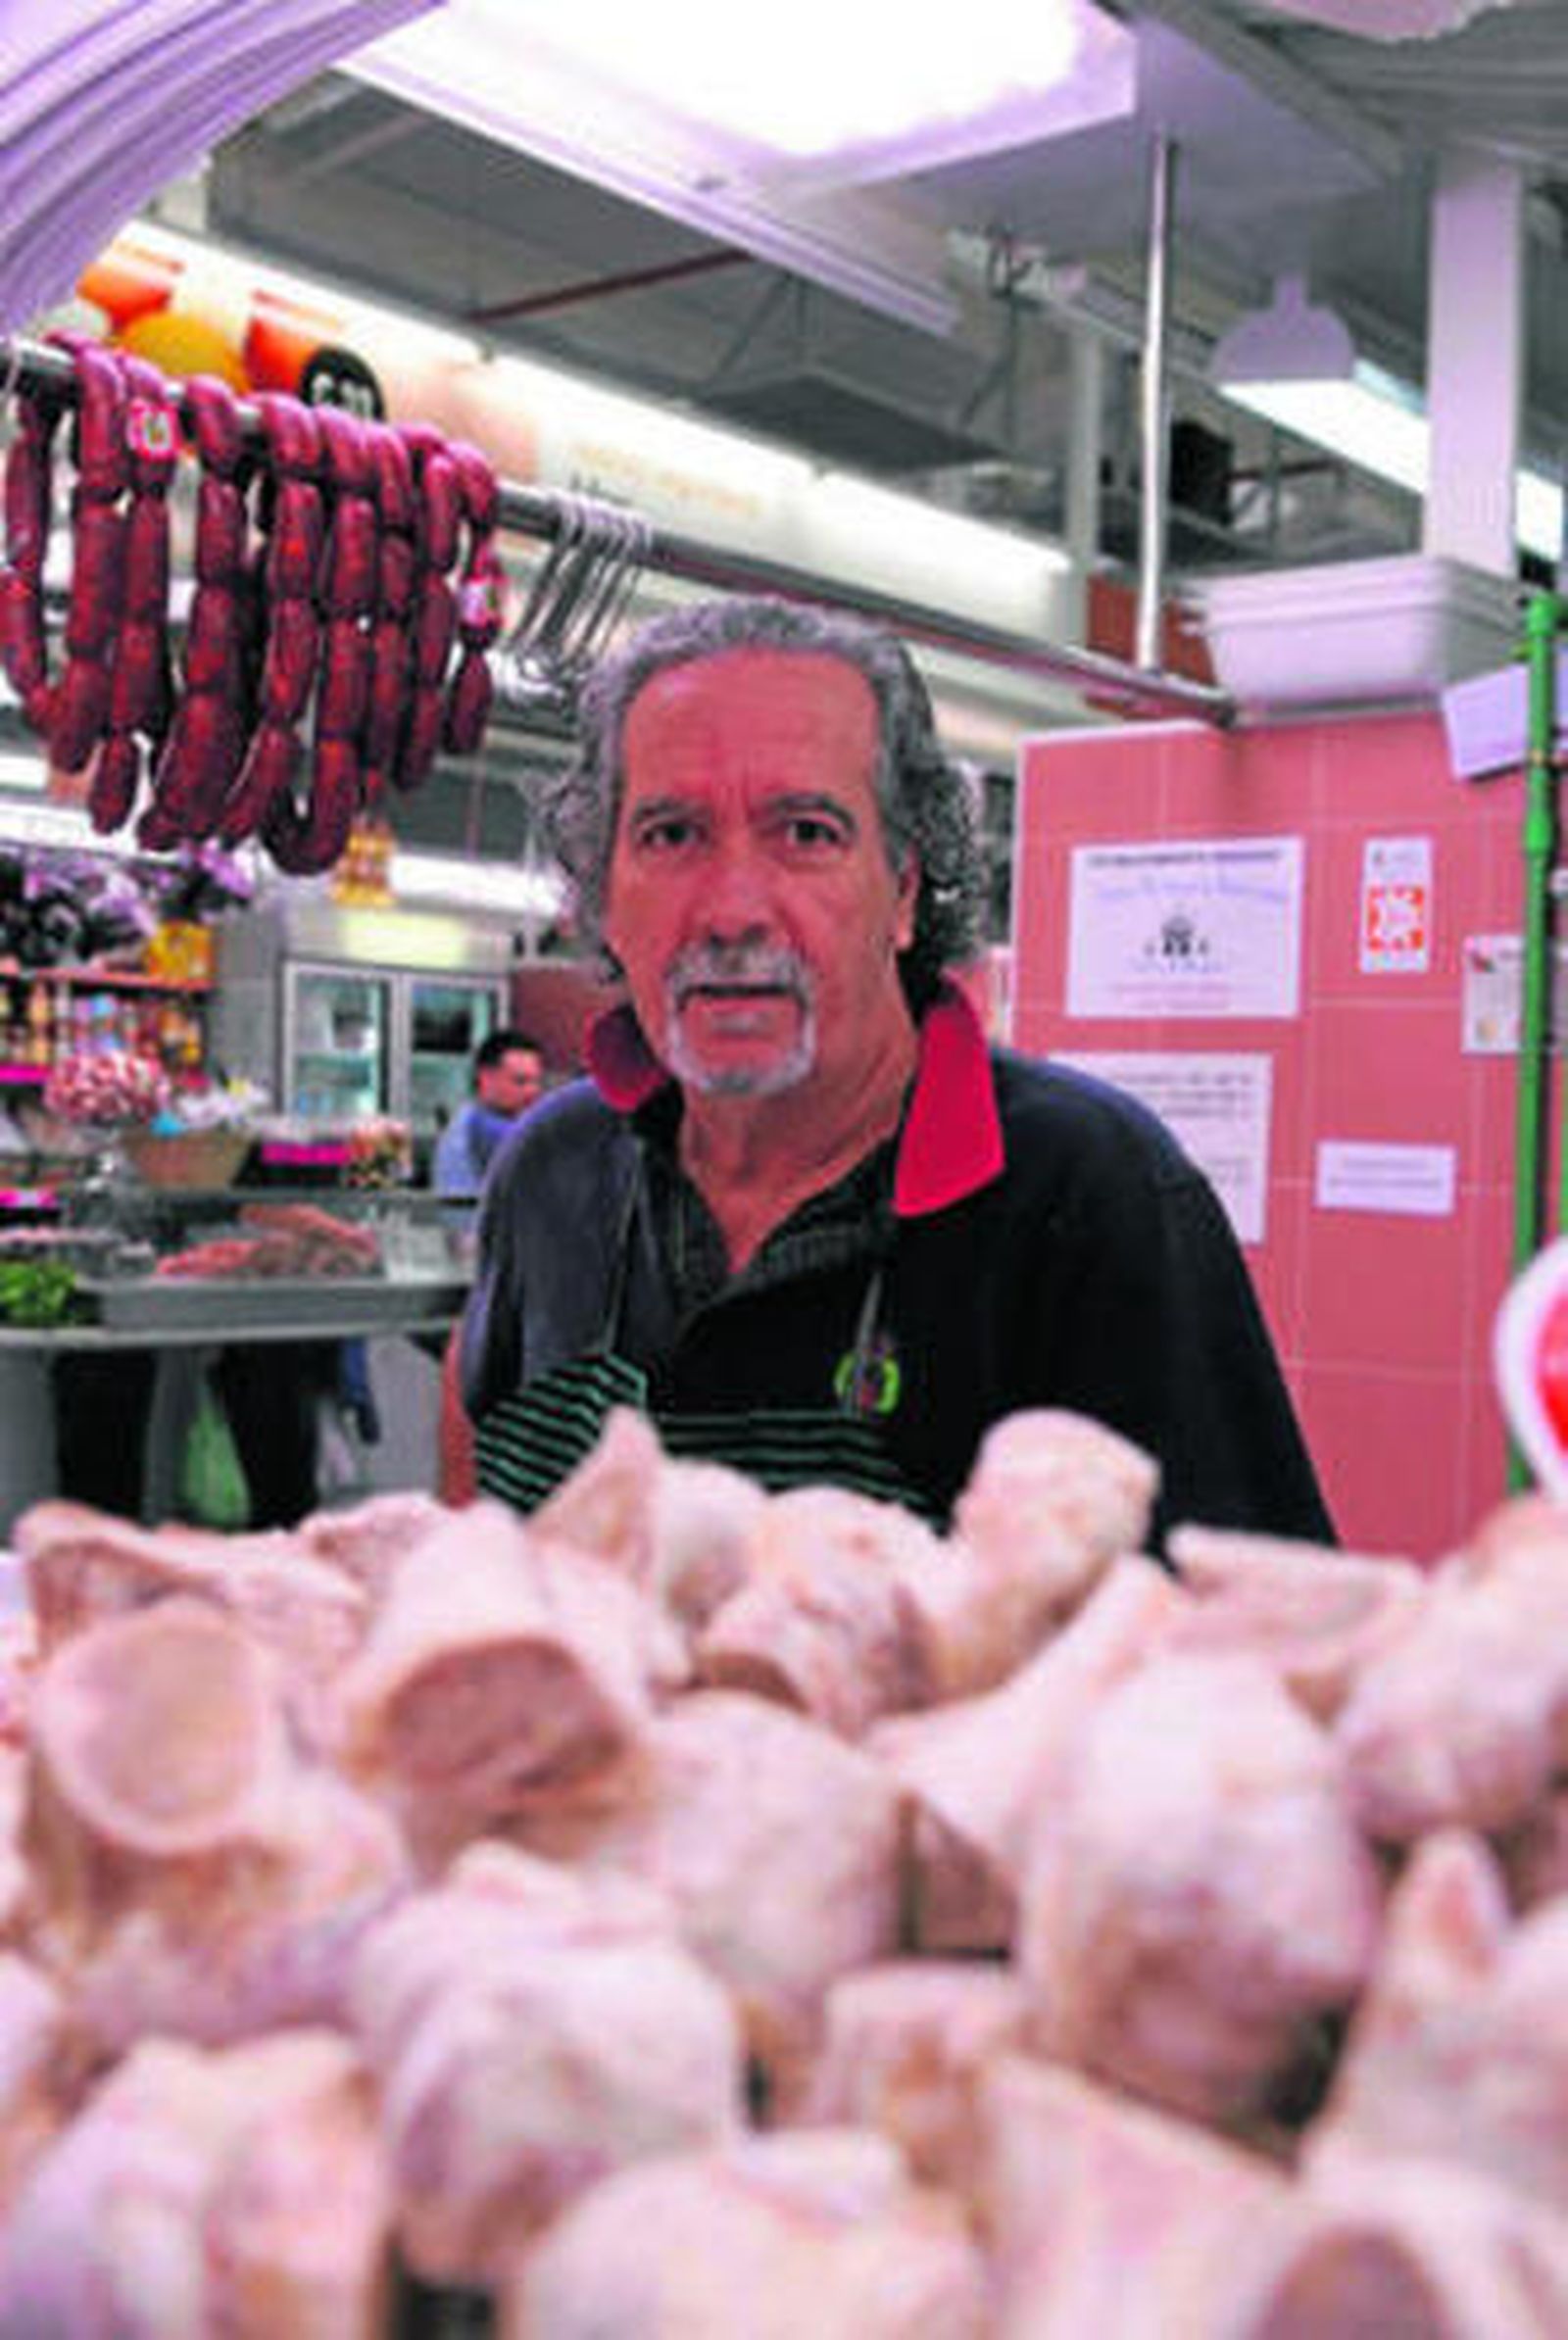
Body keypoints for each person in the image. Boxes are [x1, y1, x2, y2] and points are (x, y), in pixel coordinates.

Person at [451, 593, 1334, 1548]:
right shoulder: (552, 1167)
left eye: (805, 833)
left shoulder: (1088, 1187)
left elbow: (1237, 1608)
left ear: (904, 891)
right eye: (671, 835)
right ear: (601, 893)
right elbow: (475, 1479)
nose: (733, 911)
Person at [432, 1028, 545, 1199]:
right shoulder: (488, 1127)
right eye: (520, 1081)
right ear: (485, 1079)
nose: (533, 1092)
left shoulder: (469, 1118)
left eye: (537, 1081)